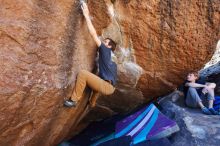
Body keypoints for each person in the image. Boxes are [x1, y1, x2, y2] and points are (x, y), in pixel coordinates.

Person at [64, 2, 117, 108]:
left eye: (105, 42)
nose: (102, 42)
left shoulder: (105, 50)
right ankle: (92, 103)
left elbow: (93, 34)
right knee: (99, 80)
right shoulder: (114, 60)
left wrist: (86, 15)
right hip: (110, 87)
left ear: (109, 46)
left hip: (106, 86)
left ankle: (74, 100)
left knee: (83, 74)